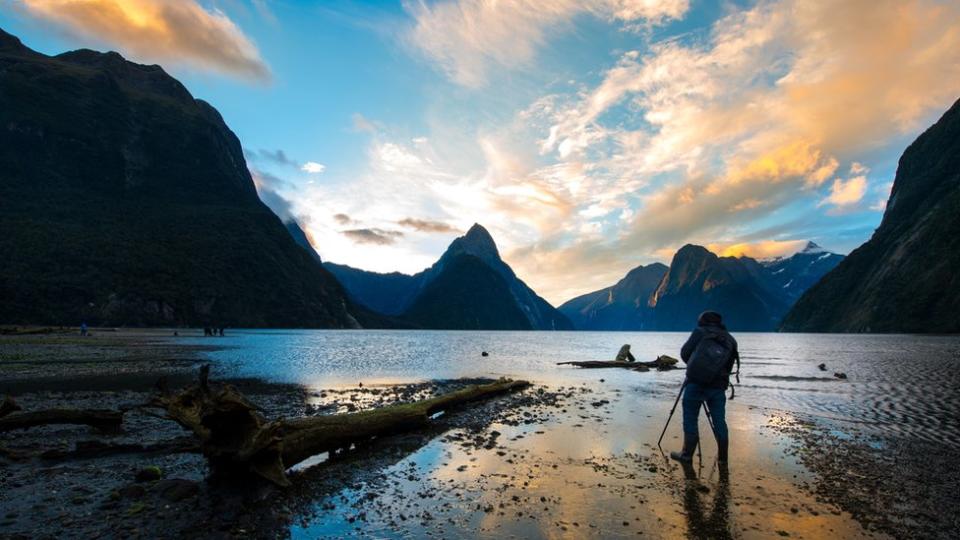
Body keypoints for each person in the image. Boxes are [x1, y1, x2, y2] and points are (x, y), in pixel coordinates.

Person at [671, 311, 738, 464]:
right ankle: (722, 459)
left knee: (690, 417)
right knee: (719, 420)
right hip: (718, 386)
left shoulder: (700, 332)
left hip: (695, 382)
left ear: (702, 321)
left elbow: (684, 353)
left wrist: (697, 367)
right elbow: (729, 365)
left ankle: (687, 455)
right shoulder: (730, 339)